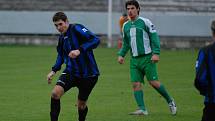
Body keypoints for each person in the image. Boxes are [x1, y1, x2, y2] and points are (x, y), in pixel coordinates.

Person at [117, 0, 177, 115]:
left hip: (147, 58)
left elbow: (154, 38)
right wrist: (121, 54)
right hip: (134, 60)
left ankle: (170, 101)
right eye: (128, 9)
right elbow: (126, 43)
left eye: (132, 8)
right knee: (135, 84)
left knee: (153, 82)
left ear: (138, 9)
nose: (130, 11)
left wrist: (156, 53)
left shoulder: (146, 22)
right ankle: (142, 109)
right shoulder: (125, 25)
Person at [46, 12, 100, 121]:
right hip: (71, 72)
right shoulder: (62, 38)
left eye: (60, 24)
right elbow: (61, 55)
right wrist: (54, 70)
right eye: (56, 25)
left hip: (88, 74)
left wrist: (79, 50)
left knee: (81, 105)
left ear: (66, 21)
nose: (58, 28)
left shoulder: (77, 28)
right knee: (55, 94)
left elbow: (95, 40)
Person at [194, 20, 215, 121]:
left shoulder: (206, 51)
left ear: (212, 32)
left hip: (212, 103)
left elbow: (200, 78)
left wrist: (206, 92)